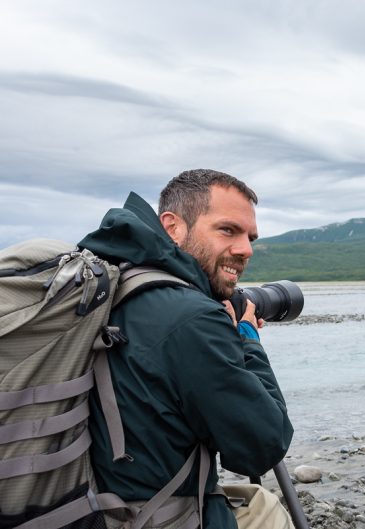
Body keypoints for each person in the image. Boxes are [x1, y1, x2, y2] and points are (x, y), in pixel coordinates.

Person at [79, 169, 295, 529]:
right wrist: (246, 337)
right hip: (146, 518)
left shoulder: (111, 283)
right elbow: (262, 447)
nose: (246, 249)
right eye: (228, 230)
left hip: (81, 506)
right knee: (268, 512)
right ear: (172, 226)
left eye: (250, 237)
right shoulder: (189, 317)